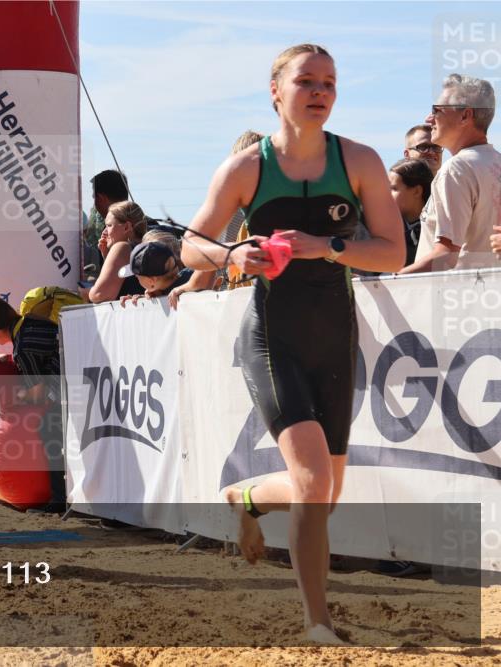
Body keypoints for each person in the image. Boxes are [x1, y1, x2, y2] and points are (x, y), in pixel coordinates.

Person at [180, 44, 404, 644]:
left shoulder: (358, 160)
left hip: (335, 336)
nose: (320, 91)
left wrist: (328, 246)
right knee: (310, 481)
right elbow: (189, 247)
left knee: (323, 496)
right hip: (272, 338)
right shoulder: (247, 169)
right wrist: (232, 253)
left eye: (329, 82)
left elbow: (393, 251)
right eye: (306, 81)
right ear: (276, 92)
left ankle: (245, 496)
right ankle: (319, 624)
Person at [0, 295, 65, 509]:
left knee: (47, 428)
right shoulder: (31, 322)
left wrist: (11, 396)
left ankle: (59, 499)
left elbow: (38, 394)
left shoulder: (22, 347)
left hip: (71, 389)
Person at [401, 74, 500, 273]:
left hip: (456, 297)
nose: (429, 119)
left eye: (436, 110)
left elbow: (446, 255)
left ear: (465, 116)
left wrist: (393, 283)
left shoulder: (456, 169)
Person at [82, 201, 147, 303]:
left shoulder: (122, 247)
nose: (104, 232)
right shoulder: (145, 248)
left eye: (109, 225)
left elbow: (99, 294)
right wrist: (107, 256)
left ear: (126, 227)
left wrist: (81, 292)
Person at [387, 159, 434, 266]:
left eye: (393, 189)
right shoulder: (388, 229)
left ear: (417, 191)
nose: (387, 195)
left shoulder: (437, 229)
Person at [117, 241, 191, 307]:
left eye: (137, 277)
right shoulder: (190, 278)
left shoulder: (193, 284)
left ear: (151, 281)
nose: (137, 279)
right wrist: (142, 301)